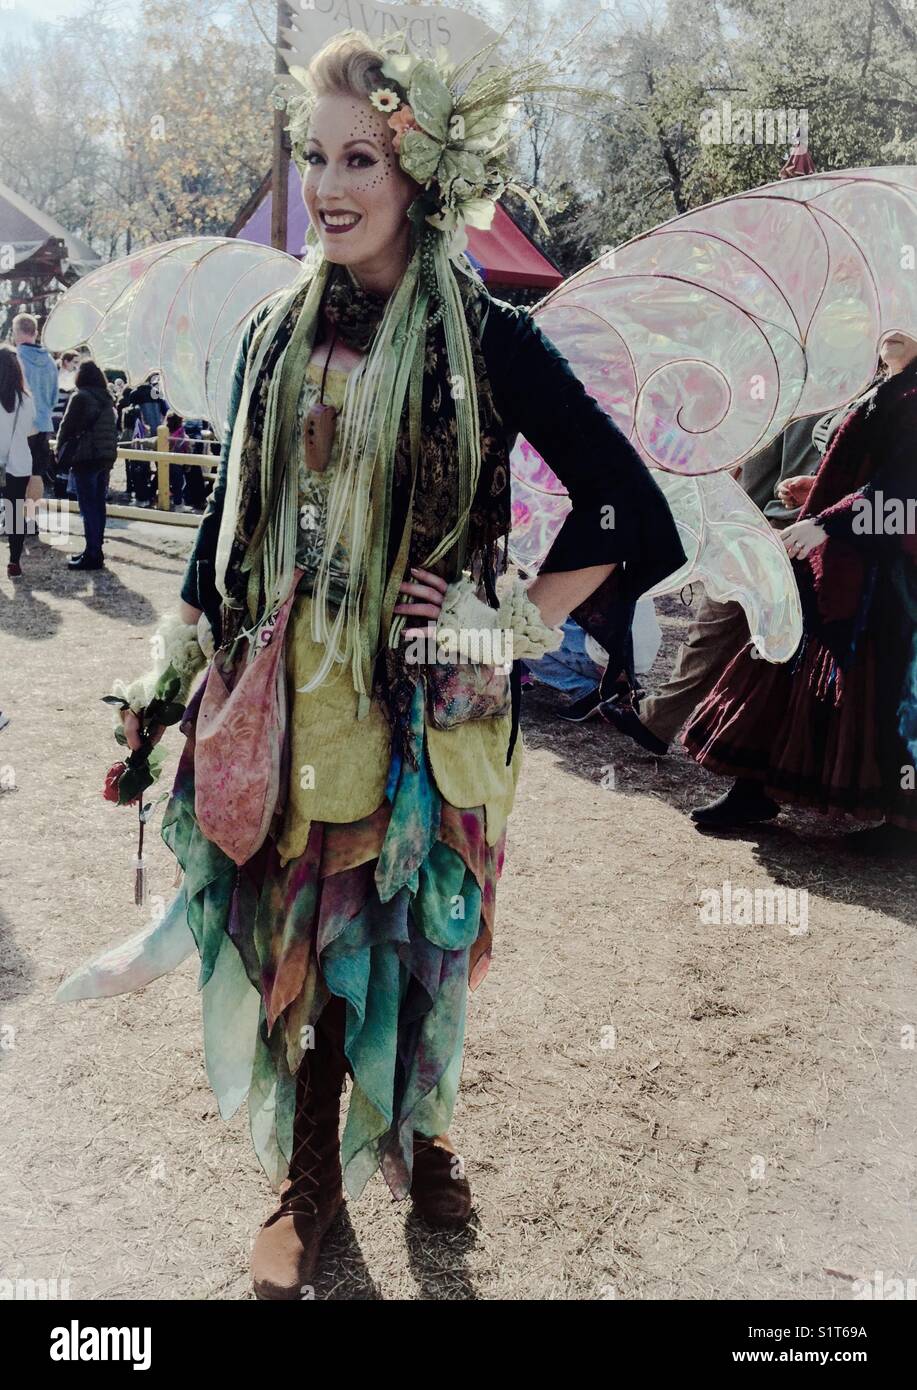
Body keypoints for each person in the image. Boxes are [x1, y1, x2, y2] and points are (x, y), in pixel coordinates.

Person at [57, 27, 685, 1299]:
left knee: (422, 947)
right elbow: (219, 543)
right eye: (316, 156)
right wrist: (162, 687)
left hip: (434, 722)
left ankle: (425, 1133)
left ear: (417, 174)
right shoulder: (271, 342)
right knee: (307, 940)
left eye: (362, 157)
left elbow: (629, 508)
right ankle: (309, 1180)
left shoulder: (487, 338)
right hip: (294, 705)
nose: (330, 186)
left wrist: (494, 614)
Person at [684, 329, 917, 855]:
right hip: (840, 562)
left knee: (886, 691)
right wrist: (817, 492)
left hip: (883, 575)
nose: (895, 330)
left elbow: (905, 489)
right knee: (783, 660)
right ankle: (755, 788)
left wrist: (829, 521)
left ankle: (904, 827)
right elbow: (872, 473)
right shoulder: (888, 386)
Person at [604, 412, 831, 755]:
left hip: (783, 531)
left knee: (729, 637)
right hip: (771, 530)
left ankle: (659, 720)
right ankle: (658, 719)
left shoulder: (800, 404)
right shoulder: (794, 401)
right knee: (724, 633)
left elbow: (757, 479)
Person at [57, 359, 118, 570]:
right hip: (105, 458)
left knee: (88, 507)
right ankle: (96, 549)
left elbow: (66, 427)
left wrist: (60, 452)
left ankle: (92, 553)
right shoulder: (107, 399)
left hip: (85, 457)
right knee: (98, 506)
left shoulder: (80, 397)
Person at [0, 345, 39, 578]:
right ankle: (14, 562)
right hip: (19, 462)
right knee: (15, 514)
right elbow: (28, 430)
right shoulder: (25, 399)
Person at [12, 312, 58, 488]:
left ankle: (15, 516)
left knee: (15, 477)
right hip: (43, 424)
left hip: (19, 426)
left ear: (16, 332)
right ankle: (31, 514)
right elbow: (54, 397)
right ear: (36, 333)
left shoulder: (14, 358)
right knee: (36, 475)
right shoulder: (49, 361)